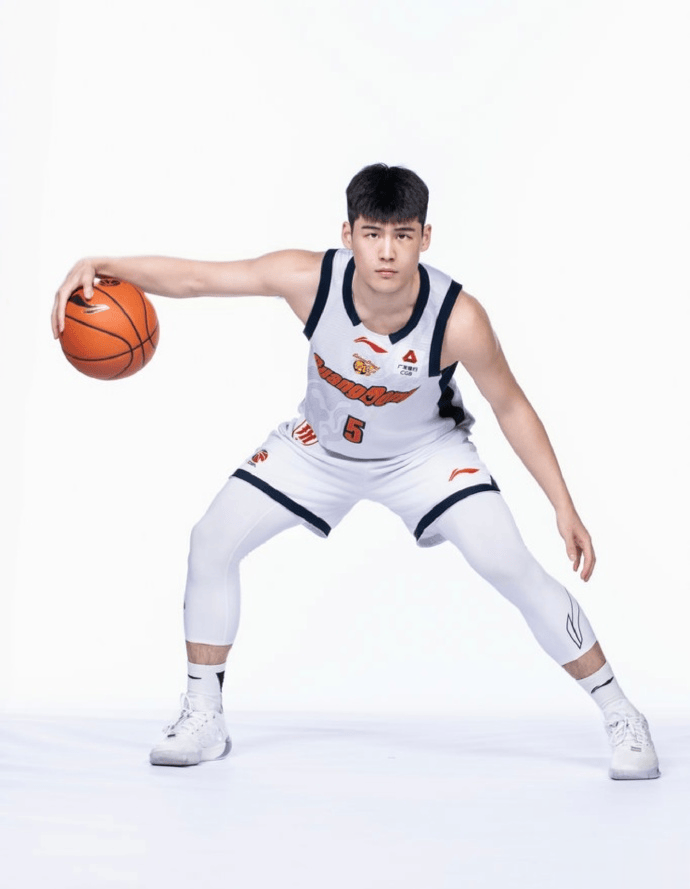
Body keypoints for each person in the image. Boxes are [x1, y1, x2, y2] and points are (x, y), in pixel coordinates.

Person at [52, 163, 659, 779]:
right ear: (348, 235)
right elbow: (199, 279)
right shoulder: (308, 280)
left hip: (425, 454)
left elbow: (511, 406)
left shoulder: (458, 317)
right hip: (318, 448)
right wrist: (103, 263)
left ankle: (621, 714)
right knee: (210, 540)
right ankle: (203, 716)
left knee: (509, 564)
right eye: (372, 234)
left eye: (402, 235)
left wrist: (563, 505)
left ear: (425, 238)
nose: (386, 251)